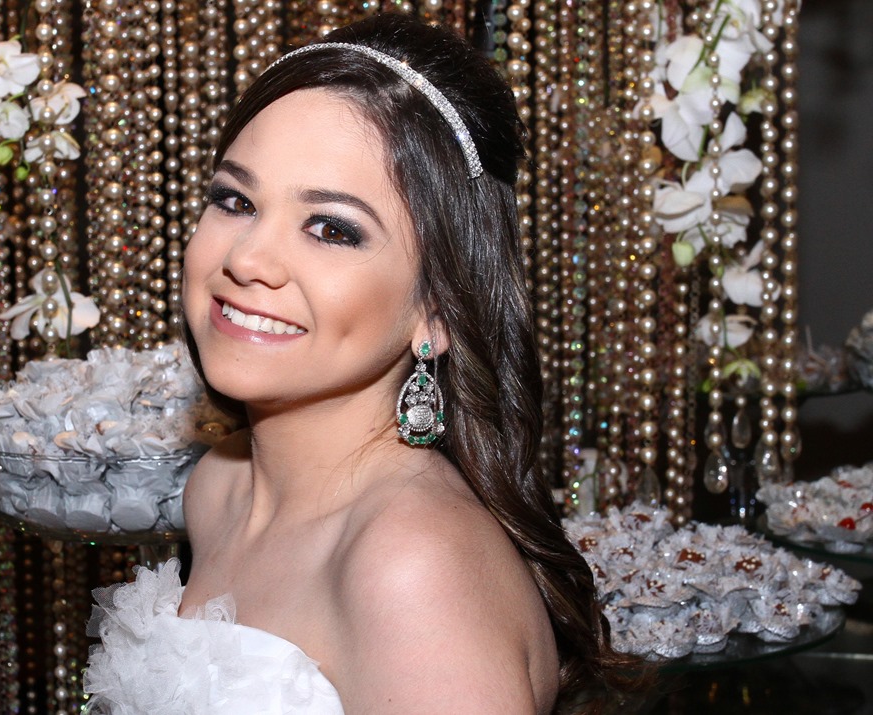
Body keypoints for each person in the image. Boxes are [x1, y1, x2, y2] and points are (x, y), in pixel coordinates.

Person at [84, 12, 642, 714]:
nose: (247, 258)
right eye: (236, 200)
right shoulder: (218, 489)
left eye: (331, 229)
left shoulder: (413, 567)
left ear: (437, 309)